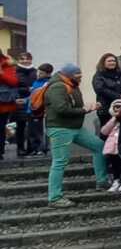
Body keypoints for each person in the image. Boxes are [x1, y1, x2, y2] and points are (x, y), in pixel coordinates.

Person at [45, 64, 109, 206]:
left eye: (80, 75)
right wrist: (85, 110)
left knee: (99, 146)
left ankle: (102, 181)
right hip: (60, 129)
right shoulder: (58, 87)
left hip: (75, 127)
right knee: (60, 162)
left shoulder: (71, 84)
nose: (80, 78)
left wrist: (87, 107)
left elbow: (72, 105)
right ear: (68, 75)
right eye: (77, 75)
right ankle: (54, 198)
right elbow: (61, 109)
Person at [99, 99, 121, 193]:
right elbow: (104, 132)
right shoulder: (111, 120)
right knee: (114, 165)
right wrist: (114, 119)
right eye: (116, 108)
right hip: (112, 147)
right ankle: (116, 180)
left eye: (120, 108)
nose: (118, 110)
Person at [91, 53, 121, 129]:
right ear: (103, 63)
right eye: (109, 61)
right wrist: (118, 96)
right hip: (106, 109)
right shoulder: (99, 75)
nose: (112, 62)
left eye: (114, 61)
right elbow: (100, 90)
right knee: (107, 130)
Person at [11, 51, 37, 157]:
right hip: (20, 101)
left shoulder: (35, 71)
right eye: (22, 59)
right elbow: (13, 86)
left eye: (27, 58)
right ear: (18, 60)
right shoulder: (15, 71)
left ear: (31, 59)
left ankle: (32, 148)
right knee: (20, 126)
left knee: (32, 125)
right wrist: (27, 89)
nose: (25, 61)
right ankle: (20, 148)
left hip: (33, 100)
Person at [24, 62, 52, 156]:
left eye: (41, 73)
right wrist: (25, 100)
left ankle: (41, 149)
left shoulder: (47, 84)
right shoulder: (36, 82)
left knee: (39, 131)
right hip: (31, 109)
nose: (38, 74)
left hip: (39, 111)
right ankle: (34, 149)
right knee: (31, 131)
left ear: (48, 74)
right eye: (38, 72)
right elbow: (33, 96)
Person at [0, 50, 18, 160]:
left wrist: (1, 74)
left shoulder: (7, 64)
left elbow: (14, 82)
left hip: (3, 103)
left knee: (0, 127)